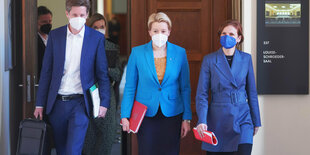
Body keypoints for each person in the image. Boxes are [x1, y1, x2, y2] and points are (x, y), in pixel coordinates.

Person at [33, 0, 110, 154]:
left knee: (73, 150)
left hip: (81, 104)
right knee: (61, 150)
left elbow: (102, 74)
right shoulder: (55, 36)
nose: (78, 18)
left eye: (82, 14)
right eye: (74, 14)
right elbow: (46, 72)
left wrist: (104, 102)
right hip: (57, 104)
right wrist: (39, 104)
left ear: (87, 15)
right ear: (67, 14)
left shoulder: (96, 38)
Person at [121, 12, 192, 155]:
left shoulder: (180, 53)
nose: (159, 34)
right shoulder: (137, 53)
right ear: (149, 32)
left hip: (172, 113)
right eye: (155, 31)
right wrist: (125, 115)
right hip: (146, 114)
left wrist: (187, 118)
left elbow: (185, 88)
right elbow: (130, 87)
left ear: (169, 32)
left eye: (163, 31)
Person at [195, 20, 261, 155]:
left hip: (243, 118)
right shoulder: (209, 60)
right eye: (224, 33)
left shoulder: (246, 59)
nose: (227, 37)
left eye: (231, 34)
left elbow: (252, 92)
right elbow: (202, 94)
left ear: (238, 38)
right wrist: (202, 120)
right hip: (217, 120)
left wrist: (256, 120)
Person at [82, 13, 122, 155]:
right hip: (87, 93)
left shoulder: (112, 47)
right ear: (89, 28)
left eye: (102, 27)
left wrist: (106, 69)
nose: (99, 29)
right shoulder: (82, 45)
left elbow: (118, 74)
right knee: (89, 137)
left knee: (107, 136)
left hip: (107, 94)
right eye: (95, 27)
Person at [37, 6, 52, 78]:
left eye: (49, 21)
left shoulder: (53, 37)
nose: (48, 24)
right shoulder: (33, 41)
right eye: (44, 22)